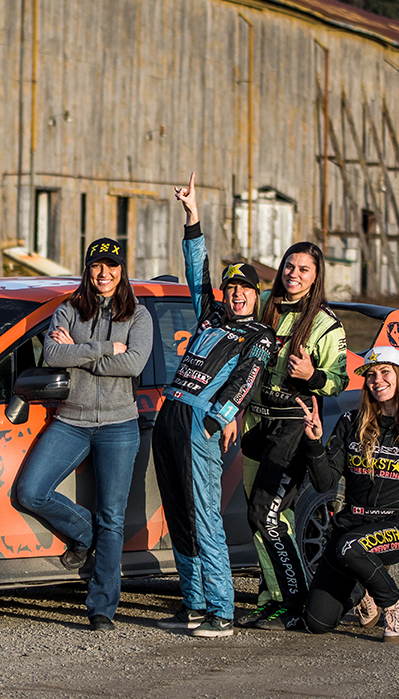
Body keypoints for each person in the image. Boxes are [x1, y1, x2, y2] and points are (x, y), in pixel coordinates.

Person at [152, 173, 275, 638]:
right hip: (170, 414)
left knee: (204, 516)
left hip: (199, 422)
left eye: (245, 288)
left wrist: (218, 418)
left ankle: (222, 610)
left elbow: (246, 380)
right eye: (231, 288)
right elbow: (196, 271)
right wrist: (192, 216)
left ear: (257, 294)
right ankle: (194, 603)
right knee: (179, 514)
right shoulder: (212, 315)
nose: (237, 294)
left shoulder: (259, 335)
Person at [16, 236, 153, 632]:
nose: (104, 273)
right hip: (71, 420)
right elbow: (52, 355)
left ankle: (101, 608)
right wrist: (104, 347)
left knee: (113, 517)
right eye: (97, 265)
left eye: (111, 265)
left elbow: (133, 364)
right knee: (31, 491)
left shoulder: (138, 315)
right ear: (87, 269)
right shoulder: (68, 309)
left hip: (119, 425)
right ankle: (85, 533)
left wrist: (78, 350)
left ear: (121, 270)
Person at [298, 346, 399, 642]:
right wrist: (315, 444)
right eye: (370, 375)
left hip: (397, 526)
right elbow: (324, 483)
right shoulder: (350, 421)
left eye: (385, 372)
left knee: (349, 548)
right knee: (316, 621)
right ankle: (363, 590)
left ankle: (394, 605)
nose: (376, 380)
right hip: (351, 526)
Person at [238, 241, 348, 631]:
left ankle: (295, 601)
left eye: (304, 269)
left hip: (293, 430)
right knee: (266, 518)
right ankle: (272, 598)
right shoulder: (265, 304)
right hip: (256, 424)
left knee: (264, 513)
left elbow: (339, 381)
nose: (294, 274)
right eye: (289, 266)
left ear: (316, 276)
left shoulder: (326, 324)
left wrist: (312, 376)